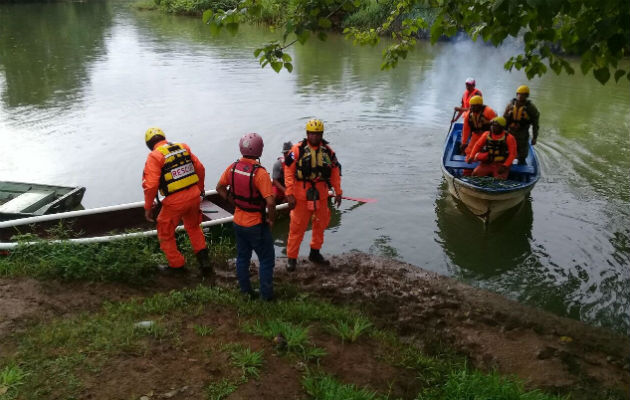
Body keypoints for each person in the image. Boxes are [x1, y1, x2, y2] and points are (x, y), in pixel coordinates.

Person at [142, 127, 213, 277]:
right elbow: (200, 168)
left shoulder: (154, 156)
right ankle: (205, 264)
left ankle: (177, 266)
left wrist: (148, 207)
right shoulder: (183, 148)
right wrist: (200, 189)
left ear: (149, 144)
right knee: (194, 227)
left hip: (175, 201)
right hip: (194, 195)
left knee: (165, 232)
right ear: (164, 137)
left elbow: (151, 185)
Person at [216, 133, 276, 301]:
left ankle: (245, 291)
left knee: (242, 257)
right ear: (260, 150)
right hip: (255, 223)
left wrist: (234, 202)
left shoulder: (233, 167)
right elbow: (270, 202)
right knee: (266, 259)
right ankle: (266, 296)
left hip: (238, 221)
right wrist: (271, 219)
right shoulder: (260, 173)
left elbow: (220, 187)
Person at [284, 119, 342, 272]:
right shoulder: (296, 150)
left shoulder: (328, 152)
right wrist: (289, 193)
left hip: (321, 195)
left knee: (321, 223)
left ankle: (315, 252)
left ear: (321, 134)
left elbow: (335, 171)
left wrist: (338, 192)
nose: (315, 137)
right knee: (297, 227)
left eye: (317, 134)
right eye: (312, 134)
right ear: (307, 134)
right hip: (301, 196)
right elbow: (288, 171)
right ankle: (291, 258)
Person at [503, 85, 540, 165]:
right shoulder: (510, 105)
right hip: (510, 132)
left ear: (526, 96)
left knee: (522, 154)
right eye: (519, 94)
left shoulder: (531, 108)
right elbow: (504, 119)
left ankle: (521, 162)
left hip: (522, 133)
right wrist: (503, 132)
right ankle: (507, 164)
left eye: (523, 94)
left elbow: (535, 124)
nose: (520, 96)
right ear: (517, 94)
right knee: (507, 150)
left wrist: (534, 137)